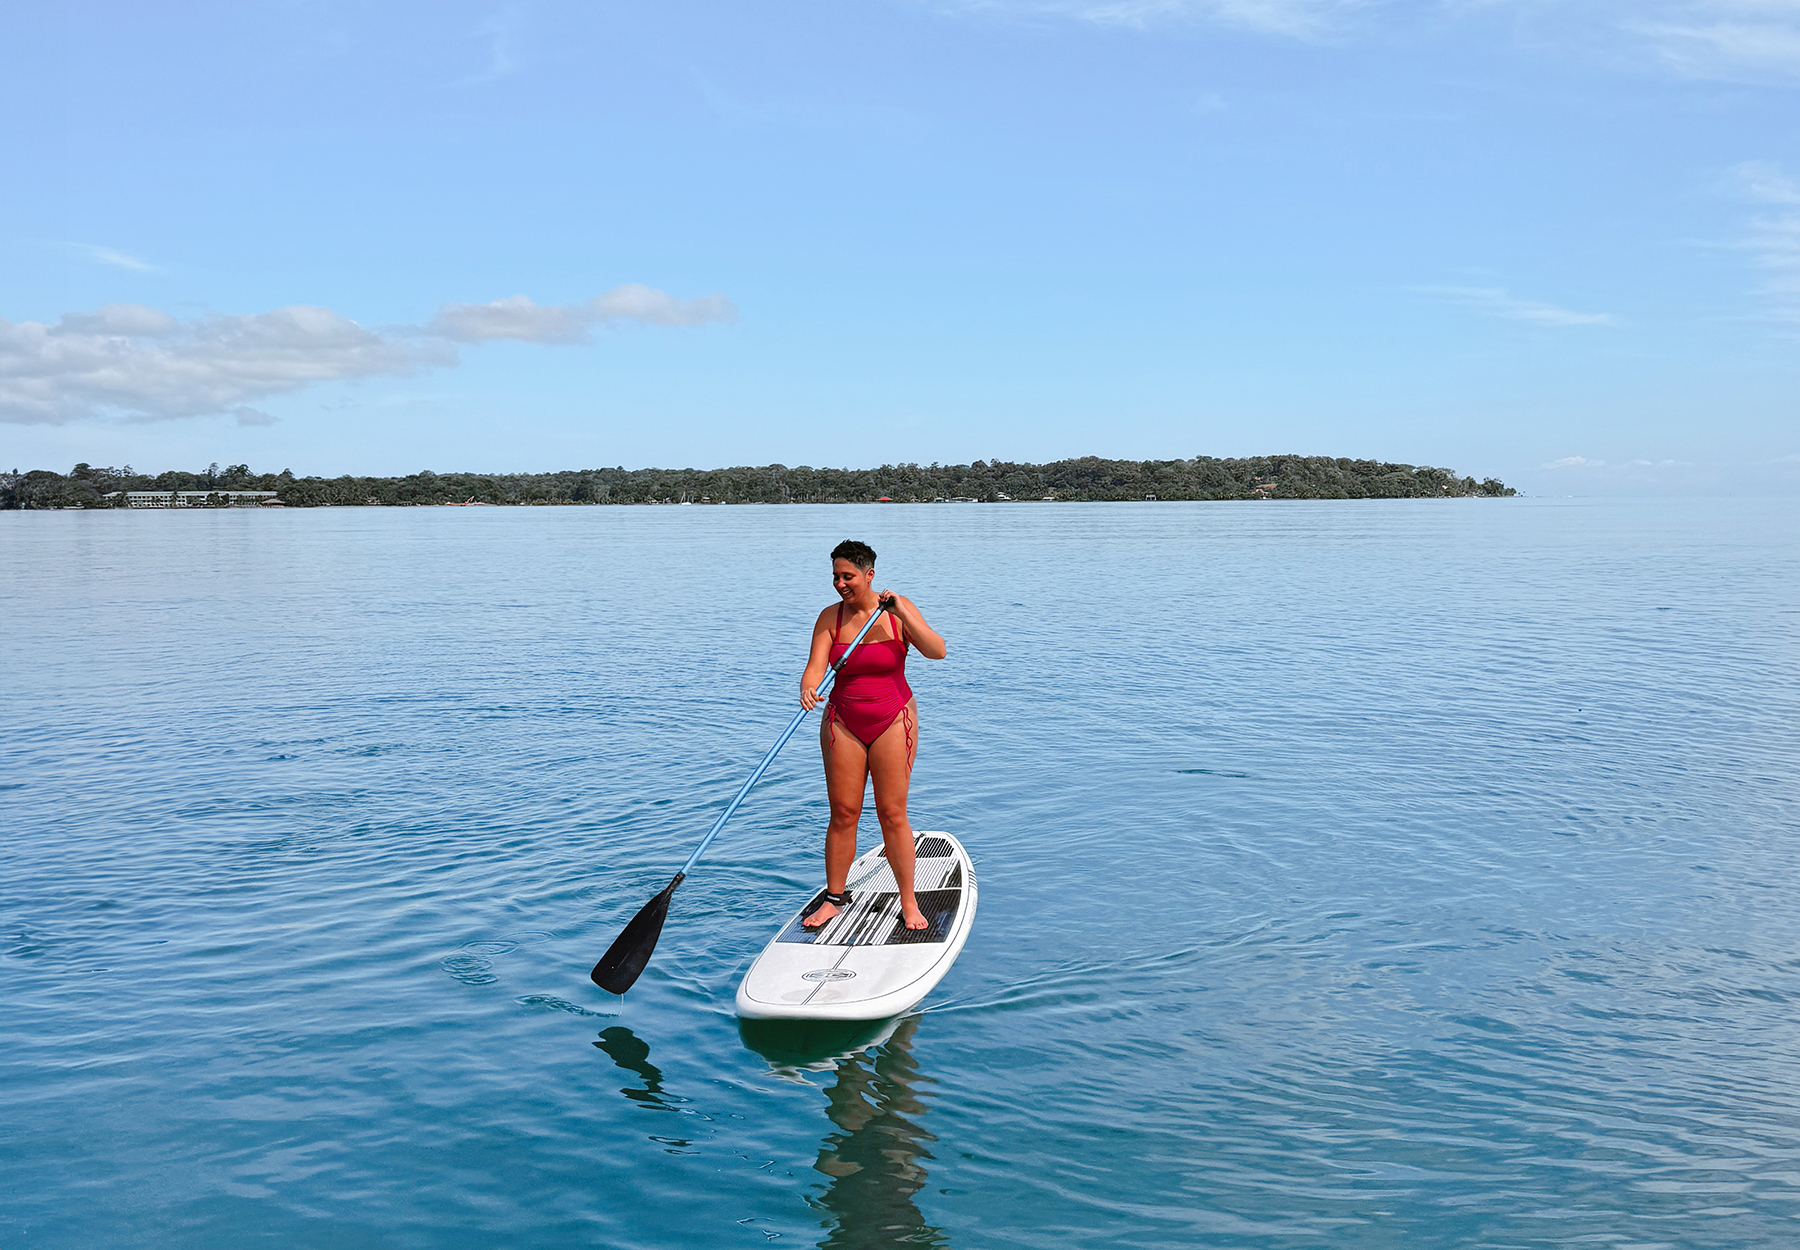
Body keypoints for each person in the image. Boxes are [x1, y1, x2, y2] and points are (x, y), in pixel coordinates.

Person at [799, 539, 947, 931]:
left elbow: (937, 651)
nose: (840, 584)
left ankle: (910, 902)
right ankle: (834, 899)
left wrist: (902, 612)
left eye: (848, 576)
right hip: (842, 720)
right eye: (835, 577)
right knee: (844, 813)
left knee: (892, 813)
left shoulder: (897, 611)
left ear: (869, 575)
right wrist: (808, 687)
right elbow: (815, 667)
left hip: (893, 718)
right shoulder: (830, 618)